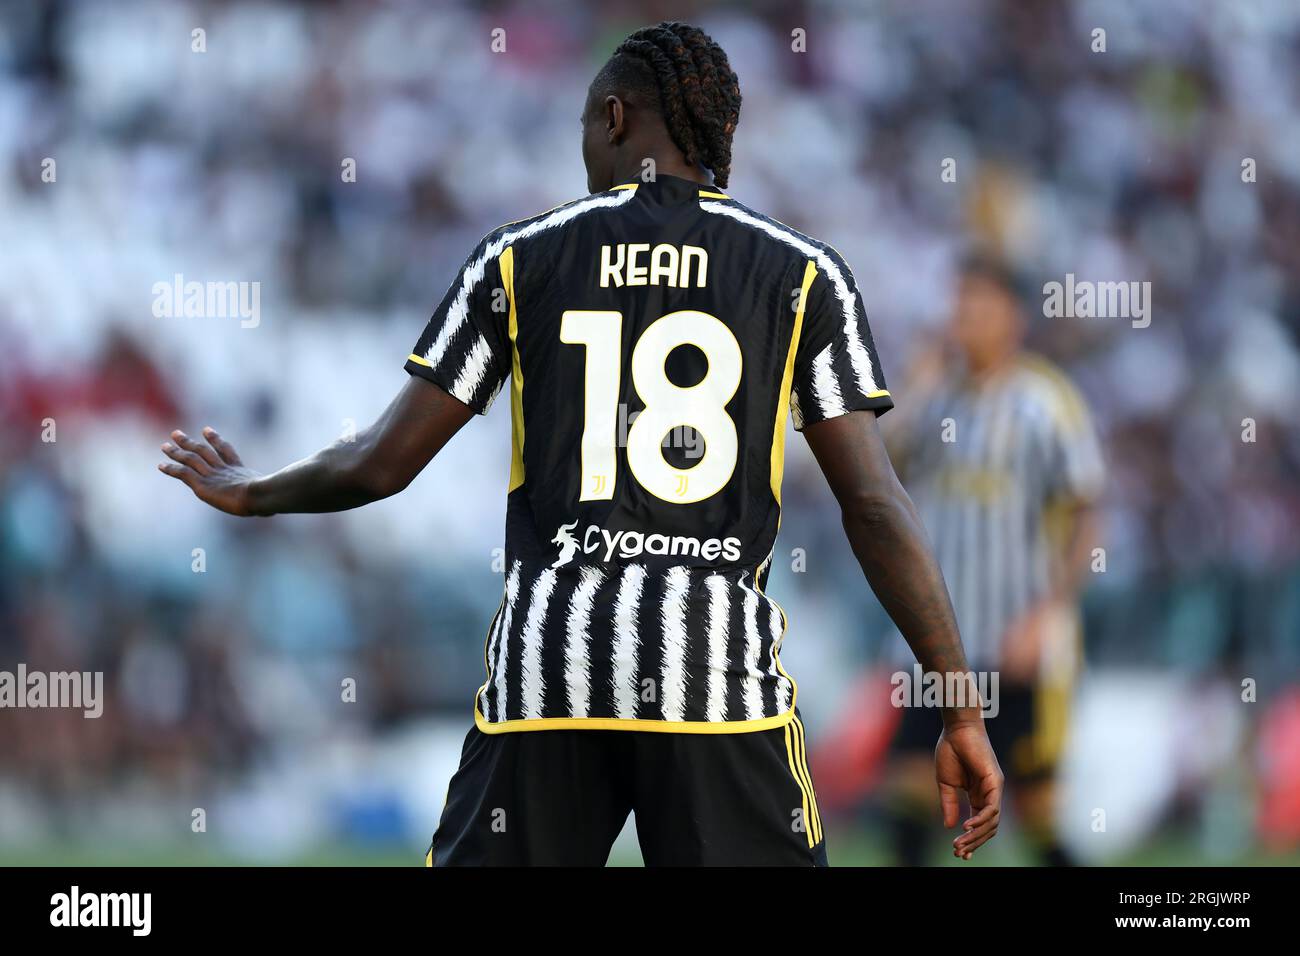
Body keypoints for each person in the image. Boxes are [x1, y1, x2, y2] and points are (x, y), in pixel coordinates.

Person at [157, 21, 1001, 866]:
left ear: (612, 116)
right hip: (713, 684)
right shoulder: (801, 273)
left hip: (548, 674)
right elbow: (874, 504)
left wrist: (256, 488)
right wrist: (958, 707)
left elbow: (381, 463)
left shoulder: (520, 259)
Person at [882, 254, 1103, 866]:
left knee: (1036, 812)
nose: (964, 316)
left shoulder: (1044, 403)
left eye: (978, 302)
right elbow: (880, 476)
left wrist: (1048, 614)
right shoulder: (937, 401)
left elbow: (1087, 510)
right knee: (905, 787)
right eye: (959, 302)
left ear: (1013, 316)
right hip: (939, 643)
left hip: (1015, 643)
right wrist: (916, 385)